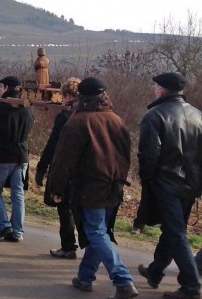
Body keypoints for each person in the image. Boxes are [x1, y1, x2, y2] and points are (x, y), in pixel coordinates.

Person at [47, 77, 138, 299]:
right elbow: (126, 156)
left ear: (81, 97)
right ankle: (85, 276)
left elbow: (63, 160)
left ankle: (123, 280)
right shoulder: (117, 120)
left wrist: (56, 189)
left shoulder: (78, 122)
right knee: (100, 232)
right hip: (113, 185)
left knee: (96, 232)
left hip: (90, 186)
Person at [137, 72, 202, 299]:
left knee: (176, 234)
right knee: (173, 230)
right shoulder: (198, 115)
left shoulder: (154, 116)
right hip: (191, 184)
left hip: (166, 183)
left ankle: (191, 286)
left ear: (162, 90)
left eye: (156, 86)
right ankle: (154, 273)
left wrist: (146, 179)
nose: (154, 89)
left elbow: (148, 155)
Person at [35, 77, 81, 259]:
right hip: (84, 169)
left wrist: (42, 166)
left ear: (67, 95)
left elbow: (53, 143)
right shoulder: (87, 113)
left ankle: (68, 245)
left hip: (65, 168)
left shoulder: (65, 115)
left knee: (65, 207)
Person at [0, 75, 34, 242]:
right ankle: (18, 231)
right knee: (18, 193)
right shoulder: (29, 106)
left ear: (6, 87)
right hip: (22, 153)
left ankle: (4, 224)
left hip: (3, 153)